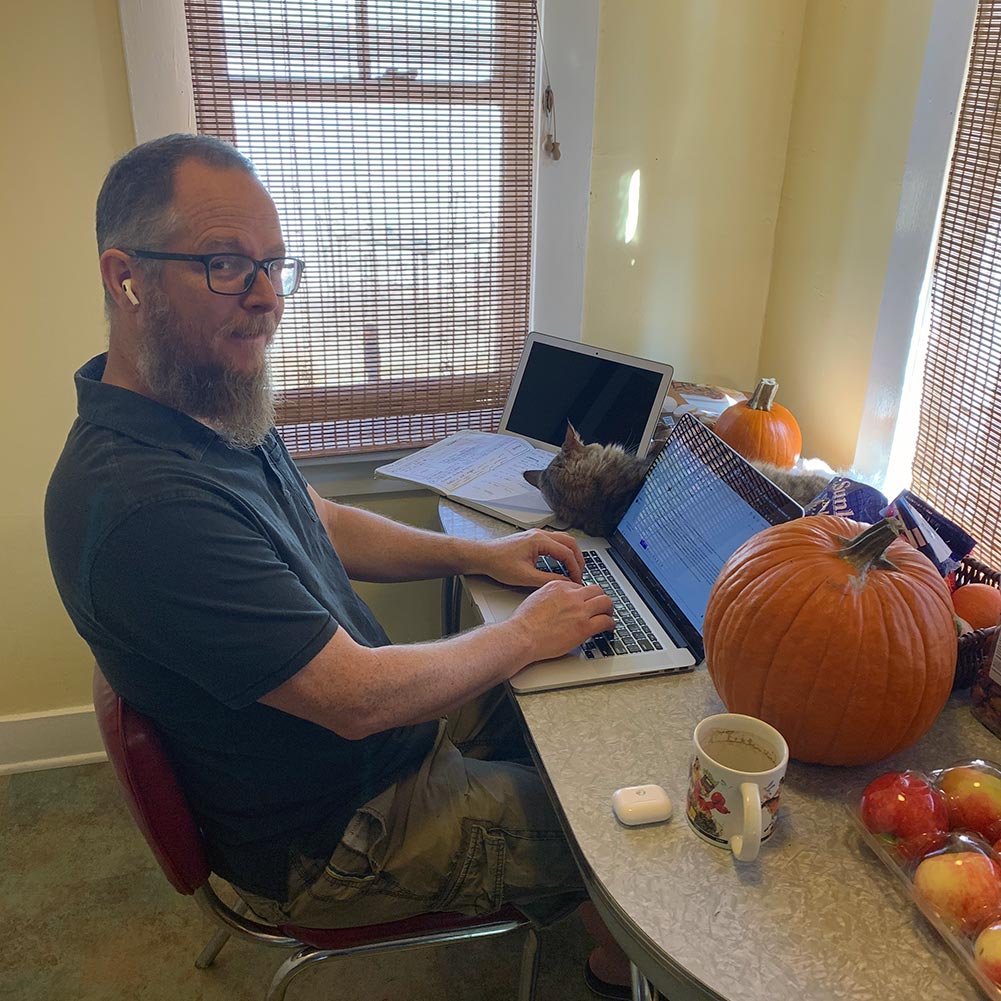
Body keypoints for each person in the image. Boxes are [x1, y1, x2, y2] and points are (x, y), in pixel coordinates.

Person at [44, 134, 635, 998]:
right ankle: (613, 955)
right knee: (619, 831)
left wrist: (486, 555)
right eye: (225, 265)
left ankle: (574, 886)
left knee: (577, 708)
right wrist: (525, 633)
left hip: (376, 748)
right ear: (126, 278)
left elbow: (318, 519)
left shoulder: (199, 400)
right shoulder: (146, 504)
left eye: (276, 267)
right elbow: (355, 698)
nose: (266, 299)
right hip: (343, 832)